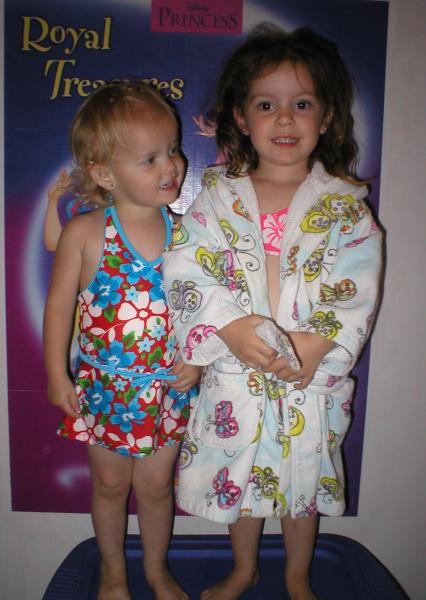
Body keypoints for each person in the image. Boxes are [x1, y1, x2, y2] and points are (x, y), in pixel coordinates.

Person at [163, 23, 382, 600]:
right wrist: (229, 327)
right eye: (266, 104)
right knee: (242, 485)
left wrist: (319, 341)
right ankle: (244, 570)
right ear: (241, 117)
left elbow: (356, 284)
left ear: (326, 117)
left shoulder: (345, 209)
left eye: (302, 104)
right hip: (239, 369)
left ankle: (297, 577)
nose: (284, 118)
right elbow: (187, 265)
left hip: (306, 374)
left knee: (300, 485)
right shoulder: (217, 199)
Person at [43, 80, 201, 600]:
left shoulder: (189, 234)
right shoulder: (85, 233)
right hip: (106, 390)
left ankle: (156, 570)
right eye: (150, 159)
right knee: (111, 486)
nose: (171, 166)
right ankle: (113, 572)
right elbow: (59, 309)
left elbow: (205, 311)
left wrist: (198, 361)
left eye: (173, 149)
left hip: (167, 392)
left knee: (155, 488)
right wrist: (56, 376)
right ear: (106, 174)